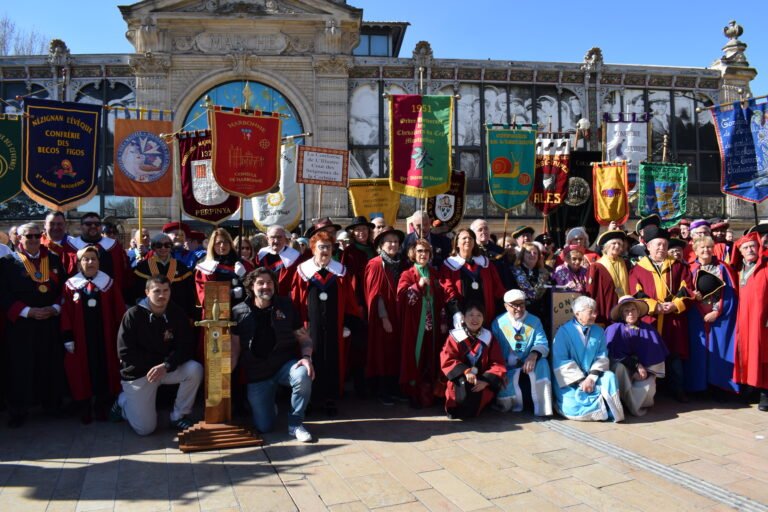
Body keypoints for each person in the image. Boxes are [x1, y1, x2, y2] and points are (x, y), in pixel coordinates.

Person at [110, 276, 203, 435]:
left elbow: (186, 347)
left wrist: (166, 365)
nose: (162, 295)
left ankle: (178, 416)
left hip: (165, 368)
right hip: (139, 373)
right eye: (157, 291)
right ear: (147, 292)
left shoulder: (176, 312)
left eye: (166, 290)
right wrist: (158, 364)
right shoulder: (133, 315)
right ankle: (123, 403)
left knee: (195, 369)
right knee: (145, 429)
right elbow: (124, 352)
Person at [231, 268, 314, 442]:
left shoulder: (286, 305)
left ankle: (295, 424)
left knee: (303, 374)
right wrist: (225, 373)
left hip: (285, 365)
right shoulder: (238, 311)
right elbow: (235, 348)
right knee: (264, 427)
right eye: (260, 283)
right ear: (251, 286)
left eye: (269, 282)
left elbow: (304, 338)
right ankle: (269, 405)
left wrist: (307, 358)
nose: (265, 286)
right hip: (257, 374)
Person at [0, 223, 65, 428]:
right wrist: (28, 312)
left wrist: (55, 307)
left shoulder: (53, 260)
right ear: (19, 239)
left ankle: (51, 404)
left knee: (50, 363)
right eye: (29, 236)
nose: (35, 239)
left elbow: (66, 289)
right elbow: (3, 294)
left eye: (38, 235)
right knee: (20, 366)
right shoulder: (8, 263)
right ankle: (18, 409)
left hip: (50, 321)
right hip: (21, 325)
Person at [291, 231, 361, 415]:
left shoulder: (340, 272)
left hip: (335, 327)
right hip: (310, 326)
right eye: (321, 247)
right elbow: (296, 300)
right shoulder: (303, 271)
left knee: (332, 360)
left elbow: (350, 301)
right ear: (313, 249)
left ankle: (330, 398)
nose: (325, 251)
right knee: (312, 358)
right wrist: (297, 326)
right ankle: (311, 399)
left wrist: (348, 323)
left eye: (328, 247)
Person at [61, 246, 126, 423]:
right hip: (81, 338)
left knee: (103, 368)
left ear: (99, 262)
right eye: (86, 259)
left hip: (104, 336)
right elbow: (65, 313)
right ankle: (85, 406)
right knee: (82, 371)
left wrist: (121, 337)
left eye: (93, 259)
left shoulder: (109, 283)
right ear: (80, 263)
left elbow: (119, 311)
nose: (90, 262)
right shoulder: (70, 285)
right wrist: (68, 337)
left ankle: (101, 405)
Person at [629, 226, 693, 402]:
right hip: (651, 319)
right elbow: (636, 293)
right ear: (648, 246)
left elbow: (686, 288)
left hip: (673, 319)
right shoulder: (638, 269)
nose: (661, 248)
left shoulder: (679, 266)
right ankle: (652, 393)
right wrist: (653, 307)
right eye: (657, 245)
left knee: (675, 356)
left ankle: (678, 390)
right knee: (650, 354)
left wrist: (675, 305)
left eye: (664, 245)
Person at [551, 296, 625, 422]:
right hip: (571, 381)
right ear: (577, 314)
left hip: (593, 377)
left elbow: (602, 356)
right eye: (591, 312)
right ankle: (602, 407)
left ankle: (610, 410)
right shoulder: (563, 332)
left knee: (610, 377)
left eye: (595, 311)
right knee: (572, 406)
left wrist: (591, 378)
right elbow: (561, 361)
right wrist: (582, 381)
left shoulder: (599, 331)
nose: (595, 315)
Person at [397, 239, 451, 408]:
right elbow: (403, 298)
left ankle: (430, 392)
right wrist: (417, 286)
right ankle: (413, 393)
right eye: (420, 251)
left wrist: (443, 320)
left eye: (426, 251)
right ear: (413, 253)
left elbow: (442, 300)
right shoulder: (408, 274)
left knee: (431, 356)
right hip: (415, 325)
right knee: (415, 357)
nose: (423, 254)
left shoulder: (435, 273)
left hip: (433, 326)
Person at [684, 236, 740, 396]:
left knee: (720, 350)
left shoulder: (723, 268)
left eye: (709, 247)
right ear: (695, 251)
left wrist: (716, 312)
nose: (705, 250)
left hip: (719, 317)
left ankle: (719, 388)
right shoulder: (690, 269)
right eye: (702, 248)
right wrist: (693, 297)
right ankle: (699, 387)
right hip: (697, 316)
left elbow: (729, 293)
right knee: (698, 352)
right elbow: (685, 291)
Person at [491, 289, 553, 416]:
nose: (519, 309)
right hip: (507, 368)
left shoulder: (534, 321)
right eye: (515, 305)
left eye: (522, 304)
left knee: (543, 363)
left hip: (528, 366)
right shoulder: (498, 323)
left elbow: (542, 342)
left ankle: (543, 407)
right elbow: (493, 351)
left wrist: (533, 355)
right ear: (506, 306)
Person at [440, 302, 506, 419]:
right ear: (464, 317)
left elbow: (497, 362)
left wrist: (486, 381)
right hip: (460, 379)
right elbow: (447, 359)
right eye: (471, 315)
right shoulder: (455, 337)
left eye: (479, 315)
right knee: (457, 408)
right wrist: (466, 372)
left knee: (473, 409)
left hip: (481, 381)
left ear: (483, 318)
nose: (474, 319)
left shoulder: (489, 337)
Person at [605, 296, 668, 416]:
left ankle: (631, 404)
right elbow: (611, 354)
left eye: (633, 310)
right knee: (619, 369)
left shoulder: (649, 330)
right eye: (626, 311)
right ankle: (630, 407)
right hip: (622, 370)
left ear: (638, 312)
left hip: (643, 372)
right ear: (621, 314)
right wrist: (635, 366)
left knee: (648, 385)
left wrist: (647, 371)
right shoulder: (613, 329)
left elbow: (655, 356)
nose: (630, 313)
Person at [364, 227, 406, 405]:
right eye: (389, 241)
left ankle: (394, 388)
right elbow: (375, 294)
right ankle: (382, 391)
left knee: (395, 352)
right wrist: (384, 318)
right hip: (383, 318)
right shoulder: (375, 264)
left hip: (398, 315)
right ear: (381, 245)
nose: (393, 244)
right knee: (382, 353)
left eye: (396, 242)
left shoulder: (401, 263)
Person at [441, 228, 505, 328]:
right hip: (461, 315)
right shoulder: (449, 265)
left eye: (471, 238)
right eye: (464, 238)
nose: (468, 240)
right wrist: (456, 311)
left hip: (485, 314)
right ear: (456, 243)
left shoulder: (486, 264)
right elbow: (448, 290)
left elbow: (498, 288)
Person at [732, 233, 768, 411]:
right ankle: (751, 388)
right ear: (740, 251)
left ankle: (765, 393)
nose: (750, 250)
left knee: (763, 356)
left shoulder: (766, 267)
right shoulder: (738, 270)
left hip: (762, 320)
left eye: (753, 246)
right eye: (745, 248)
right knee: (746, 353)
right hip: (744, 320)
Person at [133, 233, 196, 317]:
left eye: (167, 245)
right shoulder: (142, 268)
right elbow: (137, 293)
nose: (163, 248)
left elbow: (189, 295)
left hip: (177, 314)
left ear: (171, 247)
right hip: (150, 315)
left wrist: (190, 315)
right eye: (159, 245)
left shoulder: (182, 268)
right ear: (153, 247)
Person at [65, 212, 131, 290]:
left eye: (97, 224)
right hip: (77, 295)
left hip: (108, 295)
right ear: (81, 227)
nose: (93, 226)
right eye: (88, 224)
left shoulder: (114, 246)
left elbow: (124, 273)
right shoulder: (70, 247)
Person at [195, 227, 248, 308]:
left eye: (226, 242)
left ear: (230, 244)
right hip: (216, 311)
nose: (222, 246)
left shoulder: (241, 263)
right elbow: (205, 296)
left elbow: (253, 289)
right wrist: (230, 293)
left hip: (240, 310)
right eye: (218, 243)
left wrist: (244, 277)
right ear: (212, 245)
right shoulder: (205, 267)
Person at [587, 230, 629, 326]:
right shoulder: (597, 266)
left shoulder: (625, 263)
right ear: (606, 246)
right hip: (606, 308)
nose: (617, 246)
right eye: (614, 243)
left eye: (619, 244)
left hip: (623, 306)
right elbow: (592, 292)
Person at [511, 242, 551, 331]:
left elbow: (549, 295)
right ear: (522, 255)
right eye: (529, 252)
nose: (532, 255)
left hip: (541, 316)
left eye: (535, 253)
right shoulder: (513, 272)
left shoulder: (544, 273)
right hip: (521, 315)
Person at [255, 225, 301, 297]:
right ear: (267, 239)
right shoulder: (261, 254)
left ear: (285, 239)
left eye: (279, 237)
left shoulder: (294, 256)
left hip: (284, 298)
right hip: (263, 296)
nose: (276, 241)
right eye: (272, 237)